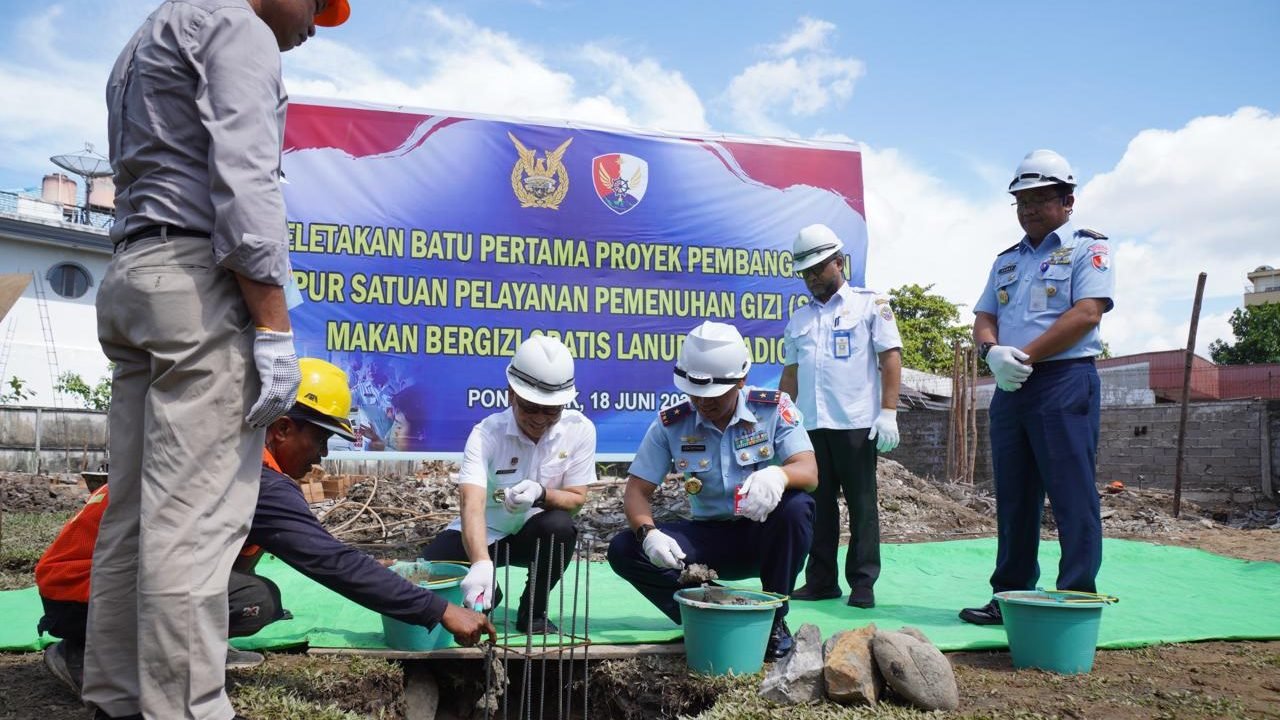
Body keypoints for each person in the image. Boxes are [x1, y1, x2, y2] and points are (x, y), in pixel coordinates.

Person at [90, 2, 354, 718]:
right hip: (195, 284)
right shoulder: (239, 29)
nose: (313, 26)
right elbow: (245, 185)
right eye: (316, 6)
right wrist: (273, 329)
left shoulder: (150, 32)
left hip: (134, 272)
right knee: (195, 519)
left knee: (132, 515)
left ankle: (118, 696)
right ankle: (186, 708)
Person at [37, 359, 494, 698]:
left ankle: (195, 646)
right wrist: (438, 610)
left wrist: (373, 565)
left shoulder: (229, 451)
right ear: (282, 427)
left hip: (90, 582)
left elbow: (289, 545)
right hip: (85, 595)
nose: (322, 456)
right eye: (320, 438)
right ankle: (89, 654)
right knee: (254, 602)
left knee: (245, 578)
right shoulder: (254, 478)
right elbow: (329, 562)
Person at [959, 150, 1114, 626]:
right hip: (1011, 387)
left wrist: (1022, 356)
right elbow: (984, 315)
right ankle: (1009, 595)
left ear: (1068, 201)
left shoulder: (1087, 249)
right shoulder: (1006, 260)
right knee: (1015, 497)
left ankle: (1075, 597)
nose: (1028, 209)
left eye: (1040, 199)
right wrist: (992, 353)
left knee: (1071, 495)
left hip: (1064, 381)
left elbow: (1087, 313)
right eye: (1021, 201)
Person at [607, 321, 818, 660]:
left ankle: (773, 621)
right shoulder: (673, 422)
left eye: (714, 395)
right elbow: (636, 491)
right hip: (708, 540)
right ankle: (709, 609)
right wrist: (649, 534)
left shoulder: (773, 408)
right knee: (624, 548)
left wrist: (778, 475)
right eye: (695, 393)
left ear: (741, 380)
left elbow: (808, 470)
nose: (703, 402)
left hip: (764, 535)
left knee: (797, 507)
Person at [420, 336, 597, 634]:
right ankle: (490, 591)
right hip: (485, 533)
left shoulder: (580, 430)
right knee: (431, 569)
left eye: (551, 410)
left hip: (534, 535)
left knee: (560, 526)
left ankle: (533, 611)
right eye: (531, 407)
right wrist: (480, 563)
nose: (539, 419)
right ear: (511, 394)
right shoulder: (486, 434)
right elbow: (471, 504)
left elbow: (577, 499)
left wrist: (542, 494)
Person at [779, 224, 903, 609]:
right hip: (811, 427)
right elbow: (791, 374)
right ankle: (821, 580)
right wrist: (781, 418)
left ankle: (863, 582)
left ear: (839, 262)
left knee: (862, 505)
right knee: (819, 507)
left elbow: (890, 357)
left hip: (856, 424)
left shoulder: (870, 305)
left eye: (818, 268)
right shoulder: (799, 319)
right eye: (806, 272)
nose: (812, 277)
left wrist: (888, 412)